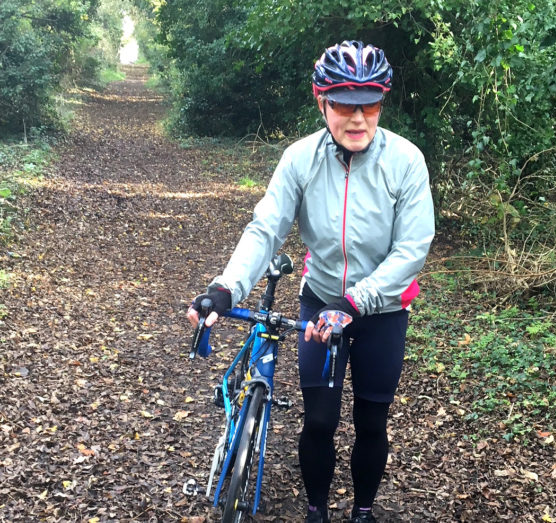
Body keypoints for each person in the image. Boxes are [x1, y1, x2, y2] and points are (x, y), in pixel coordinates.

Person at [187, 40, 435, 523]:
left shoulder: (405, 161)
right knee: (319, 421)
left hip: (382, 312)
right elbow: (266, 229)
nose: (358, 118)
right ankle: (316, 512)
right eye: (344, 104)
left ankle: (363, 512)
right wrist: (226, 287)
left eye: (370, 105)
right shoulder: (301, 158)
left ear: (381, 104)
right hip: (320, 301)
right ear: (322, 102)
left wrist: (355, 302)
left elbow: (412, 249)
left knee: (371, 422)